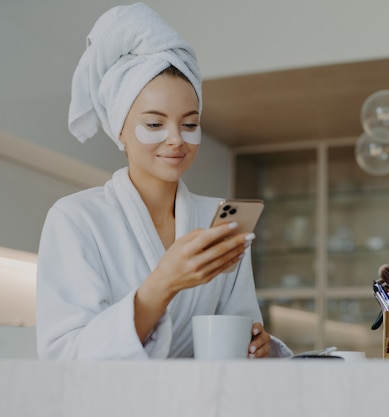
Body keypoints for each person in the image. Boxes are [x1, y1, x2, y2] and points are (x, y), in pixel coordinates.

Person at [36, 2, 292, 360]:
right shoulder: (76, 219)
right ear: (119, 129)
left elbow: (239, 328)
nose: (176, 139)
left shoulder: (215, 219)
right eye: (155, 124)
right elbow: (64, 358)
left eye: (189, 124)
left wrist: (257, 346)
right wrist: (164, 283)